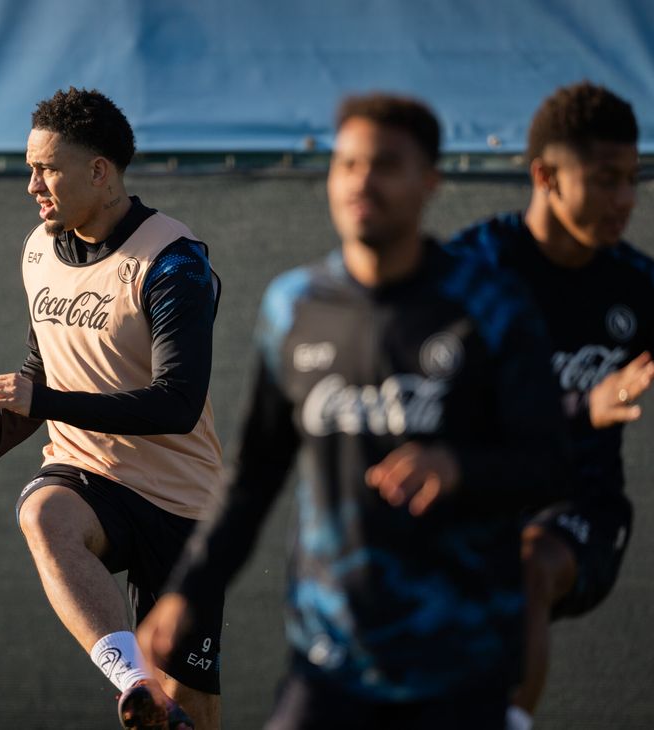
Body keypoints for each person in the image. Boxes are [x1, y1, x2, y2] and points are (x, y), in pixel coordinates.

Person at [137, 94, 572, 730]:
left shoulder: (490, 304)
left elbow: (551, 466)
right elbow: (252, 480)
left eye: (387, 164)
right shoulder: (294, 306)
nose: (363, 180)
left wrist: (457, 466)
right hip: (329, 663)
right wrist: (188, 591)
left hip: (462, 664)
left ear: (430, 182)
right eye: (348, 164)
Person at [0, 87, 224, 729]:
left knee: (195, 713)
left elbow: (178, 404)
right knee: (43, 514)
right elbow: (44, 369)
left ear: (100, 172)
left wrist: (43, 398)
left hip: (181, 502)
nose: (33, 184)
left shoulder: (173, 263)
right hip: (87, 472)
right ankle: (132, 681)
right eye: (30, 167)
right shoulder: (39, 249)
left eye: (48, 168)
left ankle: (163, 702)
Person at [448, 81, 650, 730]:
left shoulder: (635, 285)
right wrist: (582, 405)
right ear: (545, 176)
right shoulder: (471, 272)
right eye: (604, 180)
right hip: (467, 506)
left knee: (528, 562)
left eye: (632, 180)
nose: (624, 200)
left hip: (579, 514)